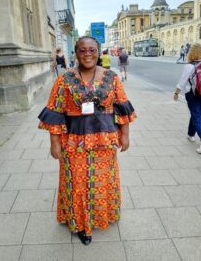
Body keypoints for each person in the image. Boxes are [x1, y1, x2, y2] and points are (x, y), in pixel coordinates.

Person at [38, 36, 136, 245]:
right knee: (77, 184)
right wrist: (54, 142)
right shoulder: (64, 79)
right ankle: (81, 223)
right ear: (76, 53)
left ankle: (103, 214)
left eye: (92, 49)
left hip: (104, 140)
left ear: (98, 52)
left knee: (102, 180)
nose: (87, 54)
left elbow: (122, 106)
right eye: (82, 50)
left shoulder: (111, 77)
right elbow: (55, 110)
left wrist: (125, 135)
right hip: (74, 142)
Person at [174, 43, 201, 154]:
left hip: (192, 94)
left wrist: (176, 93)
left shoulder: (189, 66)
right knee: (197, 115)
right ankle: (190, 134)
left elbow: (182, 83)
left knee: (196, 116)